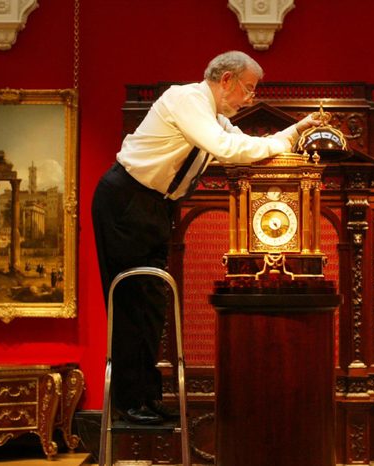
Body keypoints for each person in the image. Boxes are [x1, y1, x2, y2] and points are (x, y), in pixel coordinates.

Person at [92, 50, 322, 424]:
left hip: (154, 205)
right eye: (247, 89)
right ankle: (129, 402)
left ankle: (146, 398)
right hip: (126, 200)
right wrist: (281, 142)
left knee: (151, 304)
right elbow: (230, 151)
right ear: (226, 79)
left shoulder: (212, 115)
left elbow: (244, 143)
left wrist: (294, 131)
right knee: (132, 300)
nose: (250, 98)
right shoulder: (186, 100)